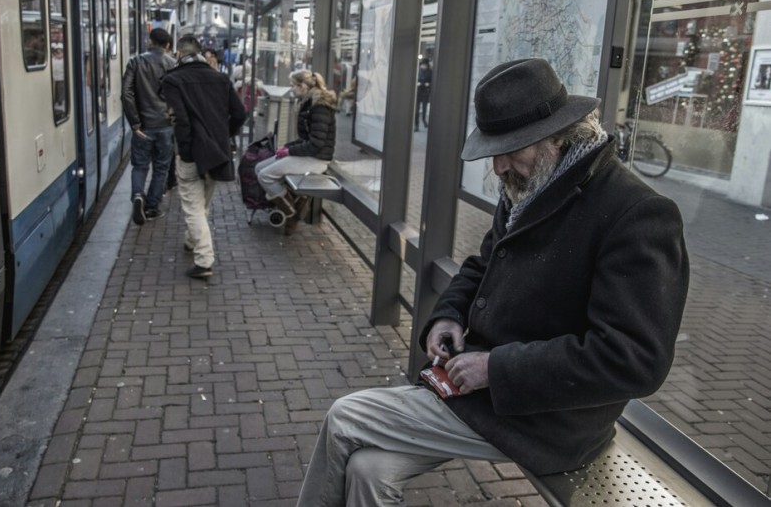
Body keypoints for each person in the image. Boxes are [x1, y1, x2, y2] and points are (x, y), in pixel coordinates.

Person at [295, 58, 690, 506]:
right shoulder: (536, 182)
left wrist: (496, 368)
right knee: (369, 470)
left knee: (345, 416)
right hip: (488, 393)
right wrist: (446, 315)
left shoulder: (637, 213)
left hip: (546, 419)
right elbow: (483, 264)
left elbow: (635, 360)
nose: (499, 166)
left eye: (510, 148)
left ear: (557, 136)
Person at [162, 35, 246, 279]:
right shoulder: (220, 79)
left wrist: (186, 151)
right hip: (217, 152)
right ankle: (191, 240)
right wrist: (223, 134)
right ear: (200, 53)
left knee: (192, 206)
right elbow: (240, 113)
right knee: (203, 204)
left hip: (190, 154)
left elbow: (180, 120)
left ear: (179, 54)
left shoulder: (173, 80)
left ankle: (204, 259)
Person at [255, 70, 337, 236]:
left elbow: (316, 144)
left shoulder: (319, 107)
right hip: (309, 154)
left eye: (293, 86)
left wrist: (289, 151)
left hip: (316, 159)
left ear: (303, 86)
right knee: (259, 168)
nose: (291, 90)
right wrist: (286, 148)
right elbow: (306, 139)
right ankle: (295, 203)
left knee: (265, 175)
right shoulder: (308, 103)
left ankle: (291, 213)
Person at [122, 27, 176, 225]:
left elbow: (126, 93)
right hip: (165, 125)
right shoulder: (173, 64)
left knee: (140, 165)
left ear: (150, 41)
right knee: (161, 167)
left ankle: (137, 194)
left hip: (143, 126)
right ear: (168, 45)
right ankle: (152, 207)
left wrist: (135, 123)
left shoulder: (136, 62)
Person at [415, 58, 432, 131]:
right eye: (423, 65)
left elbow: (432, 81)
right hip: (418, 91)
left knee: (424, 108)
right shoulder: (417, 71)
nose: (424, 66)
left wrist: (428, 84)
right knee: (416, 109)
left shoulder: (430, 72)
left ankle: (424, 120)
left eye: (425, 65)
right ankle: (416, 125)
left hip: (425, 92)